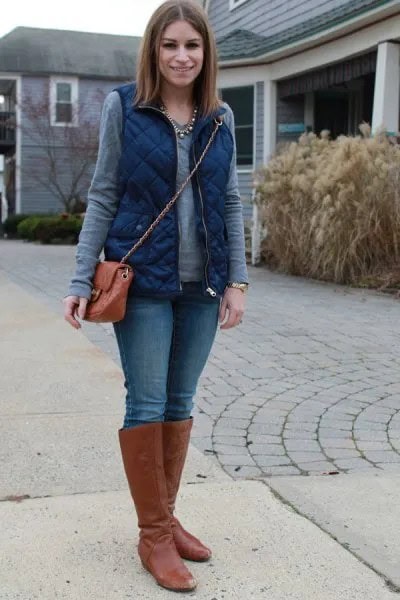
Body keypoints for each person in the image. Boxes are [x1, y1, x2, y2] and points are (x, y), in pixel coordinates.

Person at [63, 0, 248, 592]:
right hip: (141, 282)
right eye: (170, 45)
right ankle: (153, 538)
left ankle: (165, 522)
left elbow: (230, 202)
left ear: (205, 54)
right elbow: (102, 194)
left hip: (203, 286)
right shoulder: (124, 107)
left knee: (180, 401)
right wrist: (78, 279)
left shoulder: (221, 117)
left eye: (191, 46)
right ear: (154, 50)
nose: (181, 56)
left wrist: (237, 280)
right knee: (147, 404)